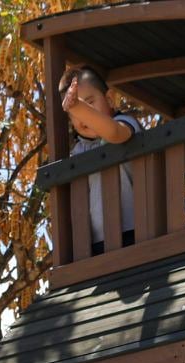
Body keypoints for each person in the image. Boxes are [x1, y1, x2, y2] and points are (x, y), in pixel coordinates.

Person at [59, 65, 141, 252]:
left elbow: (113, 132)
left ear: (110, 100)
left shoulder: (125, 123)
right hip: (96, 243)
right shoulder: (78, 150)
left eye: (90, 103)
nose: (82, 116)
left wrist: (78, 107)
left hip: (135, 231)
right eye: (74, 114)